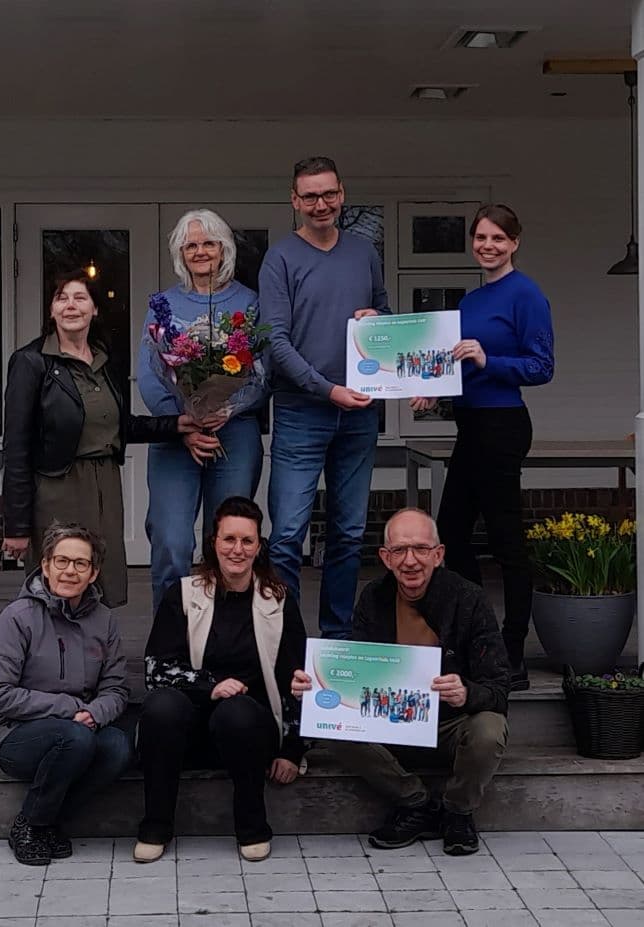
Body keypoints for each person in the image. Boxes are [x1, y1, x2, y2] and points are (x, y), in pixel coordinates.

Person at [292, 508, 510, 856]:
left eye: (421, 549)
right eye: (399, 550)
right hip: (391, 726)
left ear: (438, 555)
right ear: (385, 557)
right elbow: (355, 676)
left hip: (450, 725)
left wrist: (466, 692)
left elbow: (499, 687)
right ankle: (416, 802)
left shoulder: (468, 598)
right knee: (327, 721)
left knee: (490, 728)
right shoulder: (374, 597)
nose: (410, 561)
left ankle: (458, 811)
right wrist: (316, 687)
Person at [411, 204, 554, 690]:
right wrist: (433, 389)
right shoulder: (470, 302)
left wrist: (489, 359)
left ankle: (512, 653)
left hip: (503, 424)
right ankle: (480, 636)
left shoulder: (526, 294)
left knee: (506, 541)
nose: (488, 246)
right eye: (481, 238)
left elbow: (542, 366)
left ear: (515, 243)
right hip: (470, 425)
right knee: (450, 534)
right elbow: (458, 366)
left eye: (498, 238)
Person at [2, 268, 200, 608]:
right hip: (57, 490)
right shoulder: (31, 362)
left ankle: (96, 643)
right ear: (51, 310)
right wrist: (16, 526)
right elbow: (16, 447)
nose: (71, 305)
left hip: (105, 486)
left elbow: (119, 426)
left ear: (94, 309)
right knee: (61, 581)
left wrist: (176, 425)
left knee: (101, 578)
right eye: (61, 298)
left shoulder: (105, 360)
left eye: (80, 298)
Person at [134, 496, 307, 864]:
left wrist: (292, 751)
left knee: (236, 712)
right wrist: (209, 685)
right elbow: (156, 669)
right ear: (214, 542)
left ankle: (253, 828)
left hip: (249, 733)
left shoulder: (278, 601)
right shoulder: (184, 593)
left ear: (259, 547)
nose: (237, 549)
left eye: (247, 541)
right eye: (229, 539)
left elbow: (297, 680)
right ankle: (155, 826)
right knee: (161, 706)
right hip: (188, 732)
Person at [259, 156, 390, 639]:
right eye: (310, 196)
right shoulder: (280, 259)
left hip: (360, 413)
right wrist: (326, 389)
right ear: (295, 201)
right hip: (302, 411)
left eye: (329, 194)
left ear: (342, 194)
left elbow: (385, 312)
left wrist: (379, 319)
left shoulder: (363, 252)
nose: (321, 204)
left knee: (349, 535)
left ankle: (336, 639)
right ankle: (288, 641)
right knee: (287, 536)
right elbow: (276, 342)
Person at [0, 523, 131, 866]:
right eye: (61, 561)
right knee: (75, 737)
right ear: (46, 566)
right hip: (18, 734)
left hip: (80, 728)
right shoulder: (17, 618)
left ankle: (48, 820)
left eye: (80, 563)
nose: (69, 571)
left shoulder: (104, 621)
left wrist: (95, 713)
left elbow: (116, 688)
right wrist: (69, 709)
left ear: (93, 573)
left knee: (119, 747)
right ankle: (30, 825)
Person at [138, 209, 264, 612]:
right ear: (180, 253)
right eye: (190, 245)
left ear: (224, 248)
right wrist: (184, 424)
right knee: (171, 540)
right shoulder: (163, 305)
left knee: (230, 541)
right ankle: (170, 633)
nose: (200, 251)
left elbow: (264, 372)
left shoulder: (249, 302)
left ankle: (226, 630)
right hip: (176, 437)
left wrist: (230, 407)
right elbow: (150, 375)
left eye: (209, 243)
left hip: (235, 434)